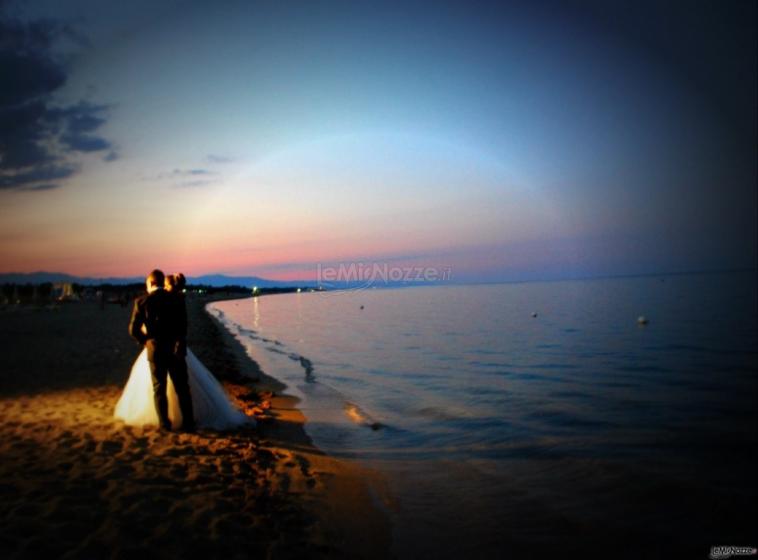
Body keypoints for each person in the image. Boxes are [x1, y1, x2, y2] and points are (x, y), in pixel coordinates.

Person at [115, 270, 249, 431]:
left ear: (150, 283)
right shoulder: (176, 299)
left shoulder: (142, 302)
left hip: (155, 350)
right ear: (161, 282)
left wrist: (146, 342)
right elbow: (183, 326)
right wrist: (179, 342)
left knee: (159, 388)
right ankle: (188, 422)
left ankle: (165, 424)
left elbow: (133, 330)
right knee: (182, 388)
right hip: (175, 350)